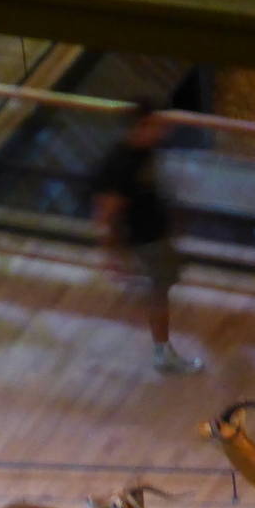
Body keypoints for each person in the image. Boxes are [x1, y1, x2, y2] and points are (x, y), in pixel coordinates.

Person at [91, 103, 202, 375]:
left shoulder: (143, 153)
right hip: (145, 240)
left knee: (160, 290)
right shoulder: (122, 165)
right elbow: (106, 212)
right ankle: (163, 353)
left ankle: (162, 347)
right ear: (139, 127)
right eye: (156, 125)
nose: (163, 130)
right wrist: (112, 254)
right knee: (159, 294)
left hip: (155, 235)